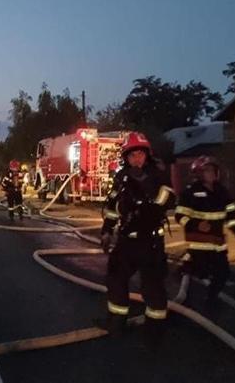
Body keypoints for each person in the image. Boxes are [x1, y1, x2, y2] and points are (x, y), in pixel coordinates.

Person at [98, 132, 176, 337]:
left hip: (150, 241)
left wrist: (146, 199)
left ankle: (155, 329)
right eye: (132, 155)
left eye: (140, 154)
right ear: (126, 157)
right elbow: (113, 207)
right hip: (127, 240)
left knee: (152, 286)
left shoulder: (158, 175)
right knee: (115, 278)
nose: (137, 159)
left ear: (147, 154)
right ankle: (117, 320)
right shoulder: (121, 177)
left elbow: (169, 199)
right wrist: (107, 231)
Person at [174, 156, 235, 303]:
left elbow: (231, 215)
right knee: (196, 272)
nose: (212, 173)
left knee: (223, 273)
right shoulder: (190, 192)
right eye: (208, 170)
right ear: (199, 173)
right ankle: (187, 297)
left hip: (218, 245)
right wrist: (196, 224)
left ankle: (211, 299)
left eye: (213, 170)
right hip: (198, 246)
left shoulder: (222, 192)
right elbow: (180, 216)